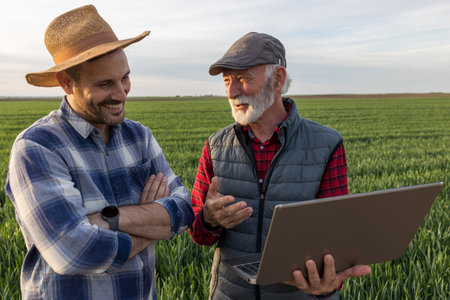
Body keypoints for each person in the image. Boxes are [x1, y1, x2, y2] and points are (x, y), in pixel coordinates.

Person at [5, 5, 193, 300]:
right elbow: (73, 251)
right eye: (105, 84)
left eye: (125, 78)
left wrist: (108, 219)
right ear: (67, 82)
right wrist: (151, 221)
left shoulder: (139, 137)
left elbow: (183, 211)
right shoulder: (38, 147)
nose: (121, 93)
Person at [189, 32, 371, 299]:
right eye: (227, 81)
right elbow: (198, 233)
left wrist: (326, 286)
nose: (231, 91)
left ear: (278, 79)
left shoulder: (326, 144)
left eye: (243, 79)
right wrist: (208, 219)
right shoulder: (215, 146)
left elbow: (334, 239)